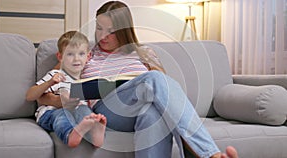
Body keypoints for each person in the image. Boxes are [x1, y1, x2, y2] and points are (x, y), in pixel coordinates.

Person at [37, 1, 239, 158]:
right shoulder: (84, 53)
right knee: (152, 79)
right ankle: (209, 153)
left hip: (138, 109)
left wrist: (149, 74)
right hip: (107, 113)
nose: (103, 36)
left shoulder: (144, 53)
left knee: (153, 113)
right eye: (99, 28)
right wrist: (63, 100)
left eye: (111, 31)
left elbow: (166, 92)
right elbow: (44, 94)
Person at [26, 31, 106, 148]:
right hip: (51, 112)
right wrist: (50, 82)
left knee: (86, 113)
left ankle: (95, 136)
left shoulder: (86, 79)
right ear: (60, 57)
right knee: (62, 115)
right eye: (70, 54)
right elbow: (29, 96)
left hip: (77, 111)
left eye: (81, 54)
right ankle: (69, 135)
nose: (76, 59)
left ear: (88, 57)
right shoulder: (56, 75)